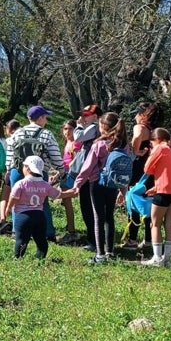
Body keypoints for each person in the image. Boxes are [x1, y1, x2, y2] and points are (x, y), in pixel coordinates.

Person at [64, 111, 127, 265]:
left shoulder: (99, 145)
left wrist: (77, 184)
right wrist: (123, 190)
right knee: (109, 217)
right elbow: (124, 169)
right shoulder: (123, 145)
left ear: (103, 127)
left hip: (97, 184)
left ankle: (100, 254)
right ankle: (110, 252)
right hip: (113, 184)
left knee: (98, 217)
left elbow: (86, 167)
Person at [9, 105, 66, 241]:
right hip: (38, 173)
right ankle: (47, 233)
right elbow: (55, 155)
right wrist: (61, 170)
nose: (46, 120)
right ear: (40, 118)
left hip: (18, 171)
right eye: (45, 117)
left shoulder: (18, 132)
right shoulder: (46, 134)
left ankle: (17, 232)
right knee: (42, 202)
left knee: (17, 201)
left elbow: (10, 153)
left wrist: (8, 170)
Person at [7, 156, 76, 259]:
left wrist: (8, 208)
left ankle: (17, 258)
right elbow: (58, 195)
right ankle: (40, 257)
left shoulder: (21, 184)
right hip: (39, 216)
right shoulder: (45, 185)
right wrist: (70, 193)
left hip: (23, 216)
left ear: (28, 168)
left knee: (21, 240)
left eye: (24, 166)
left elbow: (13, 198)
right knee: (41, 240)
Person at [141, 127, 171, 267]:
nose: (151, 145)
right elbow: (170, 174)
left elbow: (147, 169)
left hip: (164, 193)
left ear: (157, 139)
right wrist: (156, 186)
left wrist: (152, 153)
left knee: (155, 224)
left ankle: (157, 258)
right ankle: (167, 259)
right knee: (170, 223)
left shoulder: (160, 148)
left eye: (151, 142)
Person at [124, 102, 161, 250]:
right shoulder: (155, 130)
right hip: (151, 171)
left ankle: (132, 240)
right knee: (147, 204)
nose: (134, 116)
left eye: (137, 113)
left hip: (138, 170)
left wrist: (134, 150)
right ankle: (148, 239)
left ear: (144, 115)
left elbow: (138, 134)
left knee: (133, 202)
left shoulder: (140, 127)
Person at [73, 104, 103, 252]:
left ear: (96, 116)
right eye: (82, 114)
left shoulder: (93, 127)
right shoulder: (94, 127)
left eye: (87, 115)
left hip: (91, 174)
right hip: (92, 173)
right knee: (90, 208)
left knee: (88, 207)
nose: (83, 117)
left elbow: (78, 137)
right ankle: (94, 239)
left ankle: (93, 240)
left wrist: (78, 126)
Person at [57, 119, 81, 244]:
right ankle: (70, 227)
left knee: (67, 202)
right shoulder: (68, 142)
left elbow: (76, 161)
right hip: (65, 174)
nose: (67, 131)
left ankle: (71, 231)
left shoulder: (75, 143)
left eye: (70, 129)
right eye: (65, 129)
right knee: (66, 203)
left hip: (70, 176)